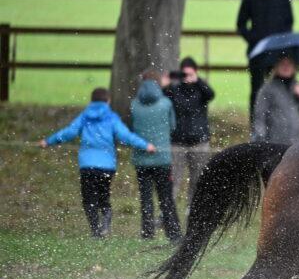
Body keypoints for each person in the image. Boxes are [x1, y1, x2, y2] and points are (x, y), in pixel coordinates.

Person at [39, 87, 155, 238]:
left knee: (89, 199)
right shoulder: (111, 117)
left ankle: (95, 231)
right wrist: (146, 145)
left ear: (91, 101)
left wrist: (48, 141)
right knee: (104, 196)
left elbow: (69, 132)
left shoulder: (85, 116)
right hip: (107, 166)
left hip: (87, 165)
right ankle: (105, 223)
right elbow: (126, 136)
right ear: (108, 101)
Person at [236, 0, 294, 125]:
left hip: (278, 53)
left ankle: (279, 123)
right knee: (257, 90)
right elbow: (241, 24)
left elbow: (289, 23)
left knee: (280, 88)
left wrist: (281, 42)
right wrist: (254, 40)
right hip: (257, 53)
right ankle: (256, 125)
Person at [131, 70, 182, 242]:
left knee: (146, 198)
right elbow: (173, 126)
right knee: (166, 198)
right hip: (162, 158)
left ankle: (147, 233)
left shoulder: (134, 105)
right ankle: (173, 234)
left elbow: (132, 128)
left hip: (141, 159)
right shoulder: (166, 103)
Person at [163, 56, 215, 203]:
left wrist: (197, 81)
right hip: (177, 142)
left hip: (199, 142)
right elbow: (162, 101)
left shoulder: (201, 89)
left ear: (196, 72)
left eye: (190, 73)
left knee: (197, 179)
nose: (187, 77)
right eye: (184, 74)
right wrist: (164, 86)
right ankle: (167, 213)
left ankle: (193, 210)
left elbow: (211, 95)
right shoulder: (174, 89)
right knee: (173, 180)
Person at [252, 56, 299, 146]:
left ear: (294, 68)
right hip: (274, 143)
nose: (286, 67)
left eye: (289, 64)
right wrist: (260, 140)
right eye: (282, 64)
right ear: (275, 67)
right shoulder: (267, 89)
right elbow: (259, 117)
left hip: (296, 144)